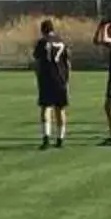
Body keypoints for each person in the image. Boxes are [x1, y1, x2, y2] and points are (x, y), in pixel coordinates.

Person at [33, 17, 71, 147]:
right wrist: (67, 79)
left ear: (43, 30)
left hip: (46, 78)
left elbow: (37, 62)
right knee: (60, 109)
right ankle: (60, 138)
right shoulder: (62, 42)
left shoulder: (42, 42)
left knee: (46, 108)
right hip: (60, 78)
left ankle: (46, 138)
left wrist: (38, 76)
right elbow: (67, 62)